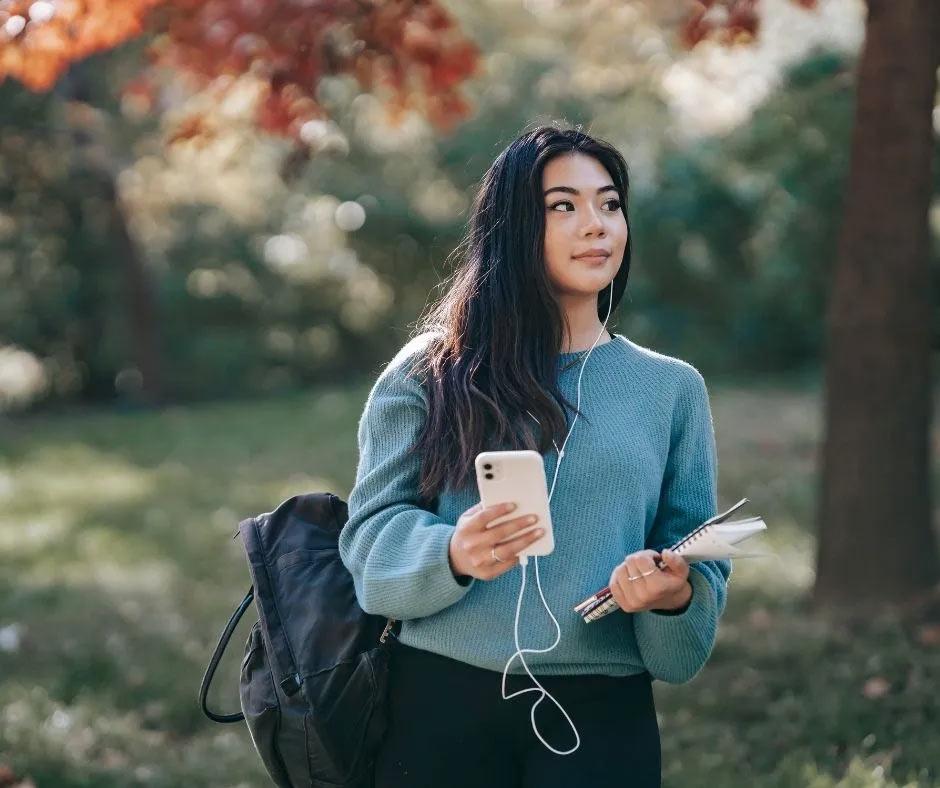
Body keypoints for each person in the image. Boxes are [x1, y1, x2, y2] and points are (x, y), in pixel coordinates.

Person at [338, 123, 732, 788]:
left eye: (610, 204)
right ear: (514, 228)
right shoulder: (430, 371)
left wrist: (674, 595)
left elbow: (696, 584)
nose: (596, 225)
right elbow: (369, 545)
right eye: (563, 206)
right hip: (437, 702)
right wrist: (452, 552)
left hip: (603, 713)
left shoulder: (672, 390)